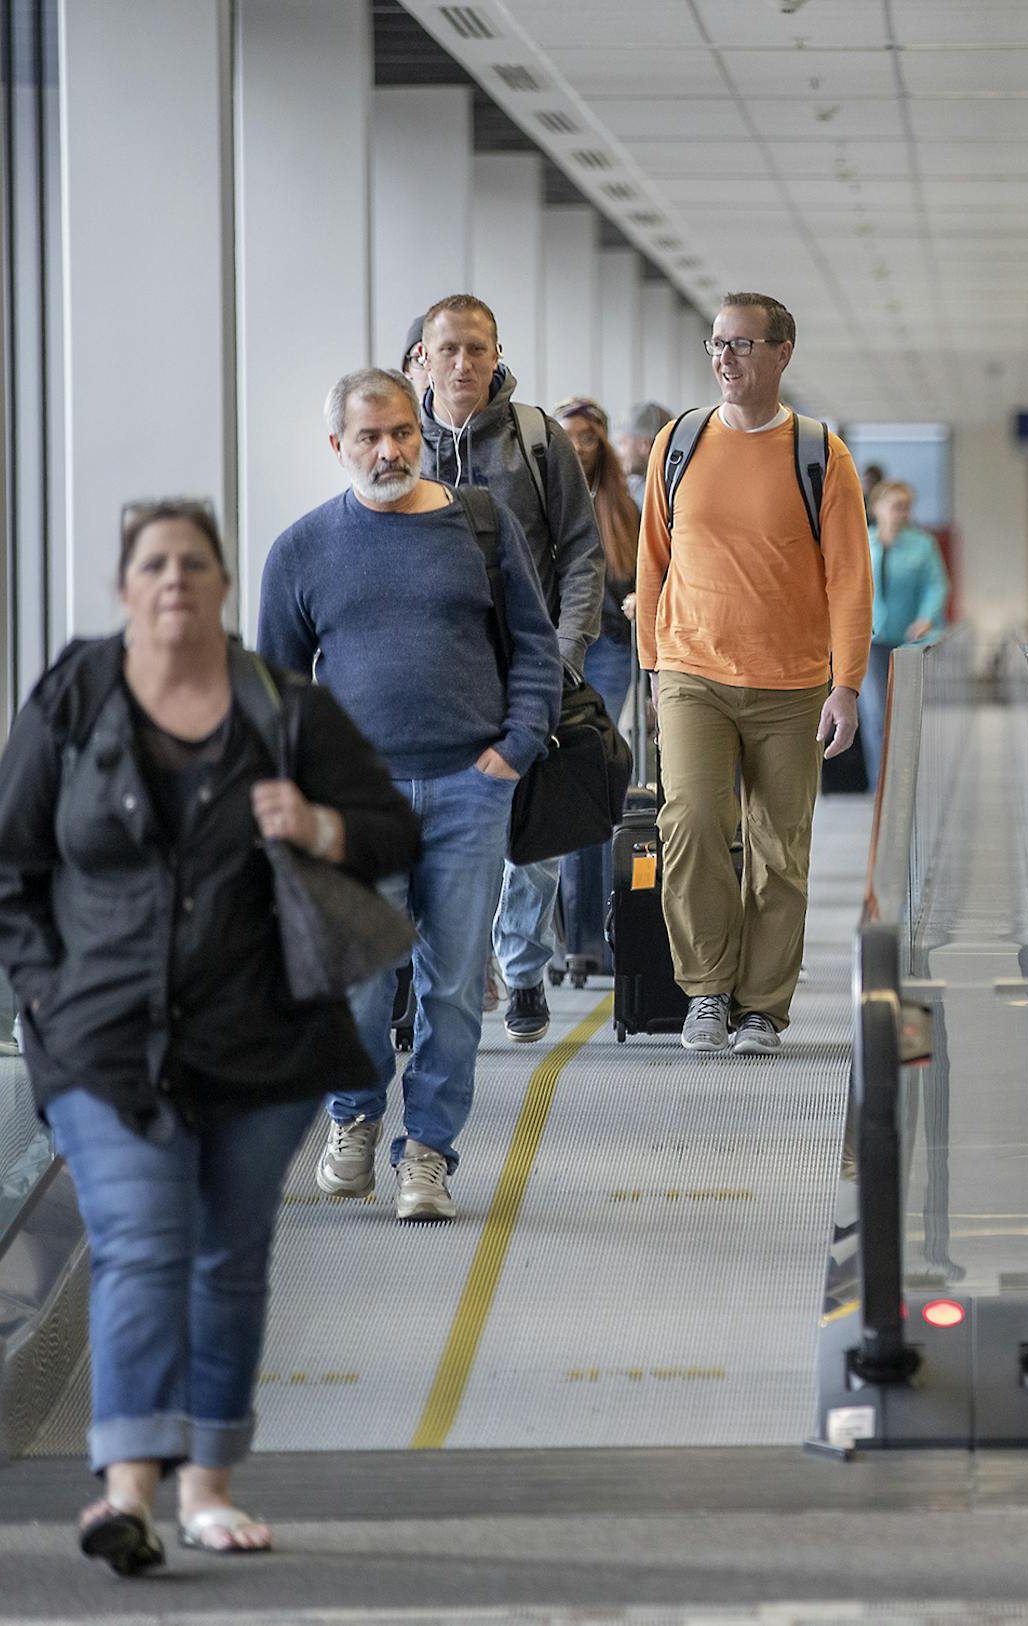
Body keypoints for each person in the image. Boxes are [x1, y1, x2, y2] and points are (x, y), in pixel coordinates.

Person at [0, 501, 419, 1571]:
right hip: (104, 1043)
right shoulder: (73, 700)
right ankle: (127, 1492)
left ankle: (209, 1487)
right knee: (141, 1240)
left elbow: (394, 832)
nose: (174, 578)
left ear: (224, 586)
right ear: (124, 588)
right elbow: (10, 878)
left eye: (194, 563)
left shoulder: (286, 707)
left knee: (228, 1258)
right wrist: (50, 1000)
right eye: (154, 564)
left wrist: (317, 824)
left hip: (263, 1042)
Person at [260, 367, 560, 1223]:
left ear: (418, 433)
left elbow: (534, 647)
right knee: (361, 979)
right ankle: (355, 1115)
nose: (389, 450)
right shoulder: (303, 549)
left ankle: (428, 1152)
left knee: (454, 987)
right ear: (338, 446)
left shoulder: (480, 525)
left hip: (471, 788)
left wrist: (515, 747)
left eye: (400, 432)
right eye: (369, 437)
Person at [634, 291, 872, 1054]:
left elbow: (850, 579)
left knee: (779, 848)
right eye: (717, 344)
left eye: (740, 344)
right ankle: (707, 990)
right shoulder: (679, 442)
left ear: (781, 353)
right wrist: (651, 668)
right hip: (691, 670)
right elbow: (652, 561)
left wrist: (847, 685)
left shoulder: (820, 454)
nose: (725, 359)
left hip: (792, 684)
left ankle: (762, 1006)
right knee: (692, 822)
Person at [416, 293, 606, 1044]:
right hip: (436, 677)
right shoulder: (403, 443)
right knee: (442, 831)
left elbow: (582, 550)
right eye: (449, 349)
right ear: (423, 357)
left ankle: (524, 969)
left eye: (477, 349)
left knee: (534, 829)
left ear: (497, 355)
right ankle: (458, 972)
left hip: (529, 667)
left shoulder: (537, 438)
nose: (464, 363)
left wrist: (566, 652)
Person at [552, 395, 644, 980]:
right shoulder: (543, 496)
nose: (578, 447)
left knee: (590, 777)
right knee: (563, 789)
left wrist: (637, 600)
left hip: (606, 649)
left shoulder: (623, 507)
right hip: (552, 649)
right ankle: (573, 938)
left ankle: (595, 938)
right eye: (569, 436)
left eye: (589, 437)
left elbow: (641, 576)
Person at [859, 480, 950, 787]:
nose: (902, 513)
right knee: (875, 715)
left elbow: (936, 585)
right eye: (896, 506)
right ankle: (881, 786)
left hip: (910, 642)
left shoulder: (923, 545)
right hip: (871, 641)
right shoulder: (862, 541)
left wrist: (927, 617)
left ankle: (909, 783)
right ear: (877, 508)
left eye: (907, 507)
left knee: (906, 715)